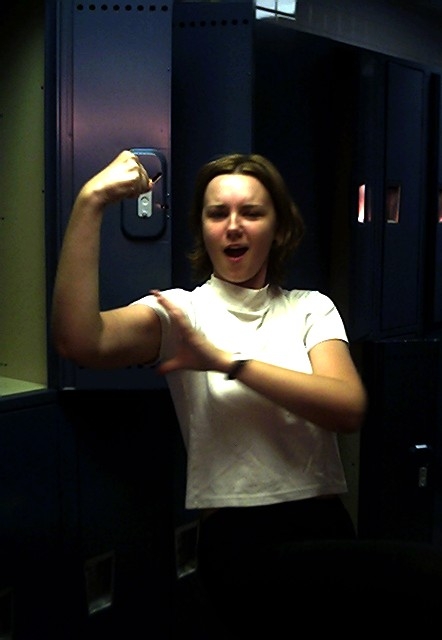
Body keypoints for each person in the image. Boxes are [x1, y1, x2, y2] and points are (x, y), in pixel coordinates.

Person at [51, 149, 368, 635]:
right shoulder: (184, 314)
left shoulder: (311, 309)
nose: (233, 226)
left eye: (251, 212)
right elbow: (79, 340)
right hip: (236, 539)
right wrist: (90, 201)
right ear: (203, 229)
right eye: (217, 213)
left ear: (279, 229)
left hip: (322, 524)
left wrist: (227, 362)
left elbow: (346, 408)